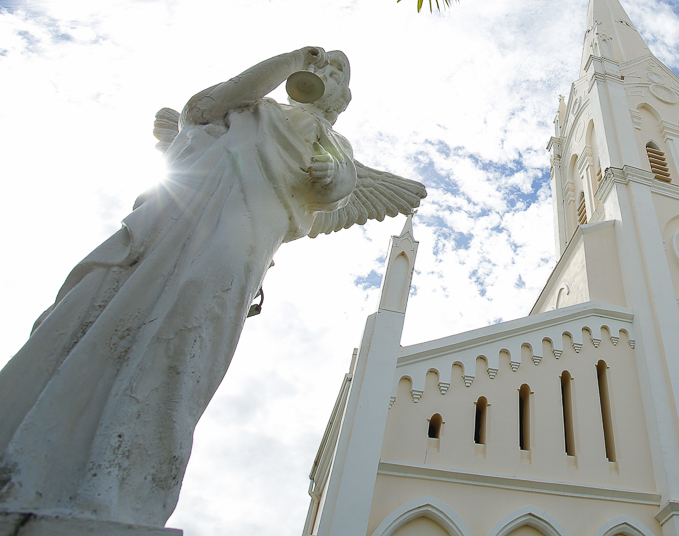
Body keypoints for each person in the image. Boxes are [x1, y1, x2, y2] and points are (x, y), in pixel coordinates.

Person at [0, 47, 423, 527]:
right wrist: (289, 62)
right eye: (321, 65)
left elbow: (337, 186)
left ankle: (120, 486)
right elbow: (202, 110)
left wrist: (332, 176)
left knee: (188, 333)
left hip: (242, 230)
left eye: (337, 72)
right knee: (91, 305)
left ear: (343, 98)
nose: (326, 72)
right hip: (172, 218)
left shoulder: (329, 138)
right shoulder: (251, 108)